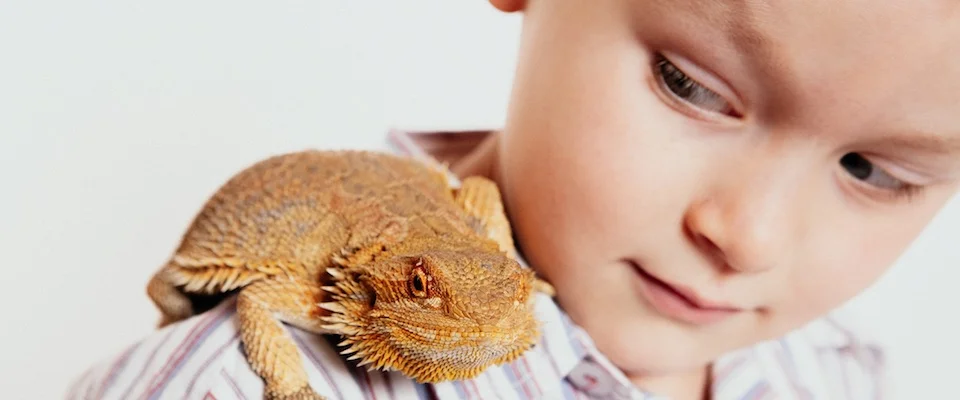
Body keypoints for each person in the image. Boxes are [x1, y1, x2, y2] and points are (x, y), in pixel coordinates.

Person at [67, 0, 960, 398]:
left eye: (874, 173)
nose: (747, 236)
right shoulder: (231, 385)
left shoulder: (837, 371)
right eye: (688, 85)